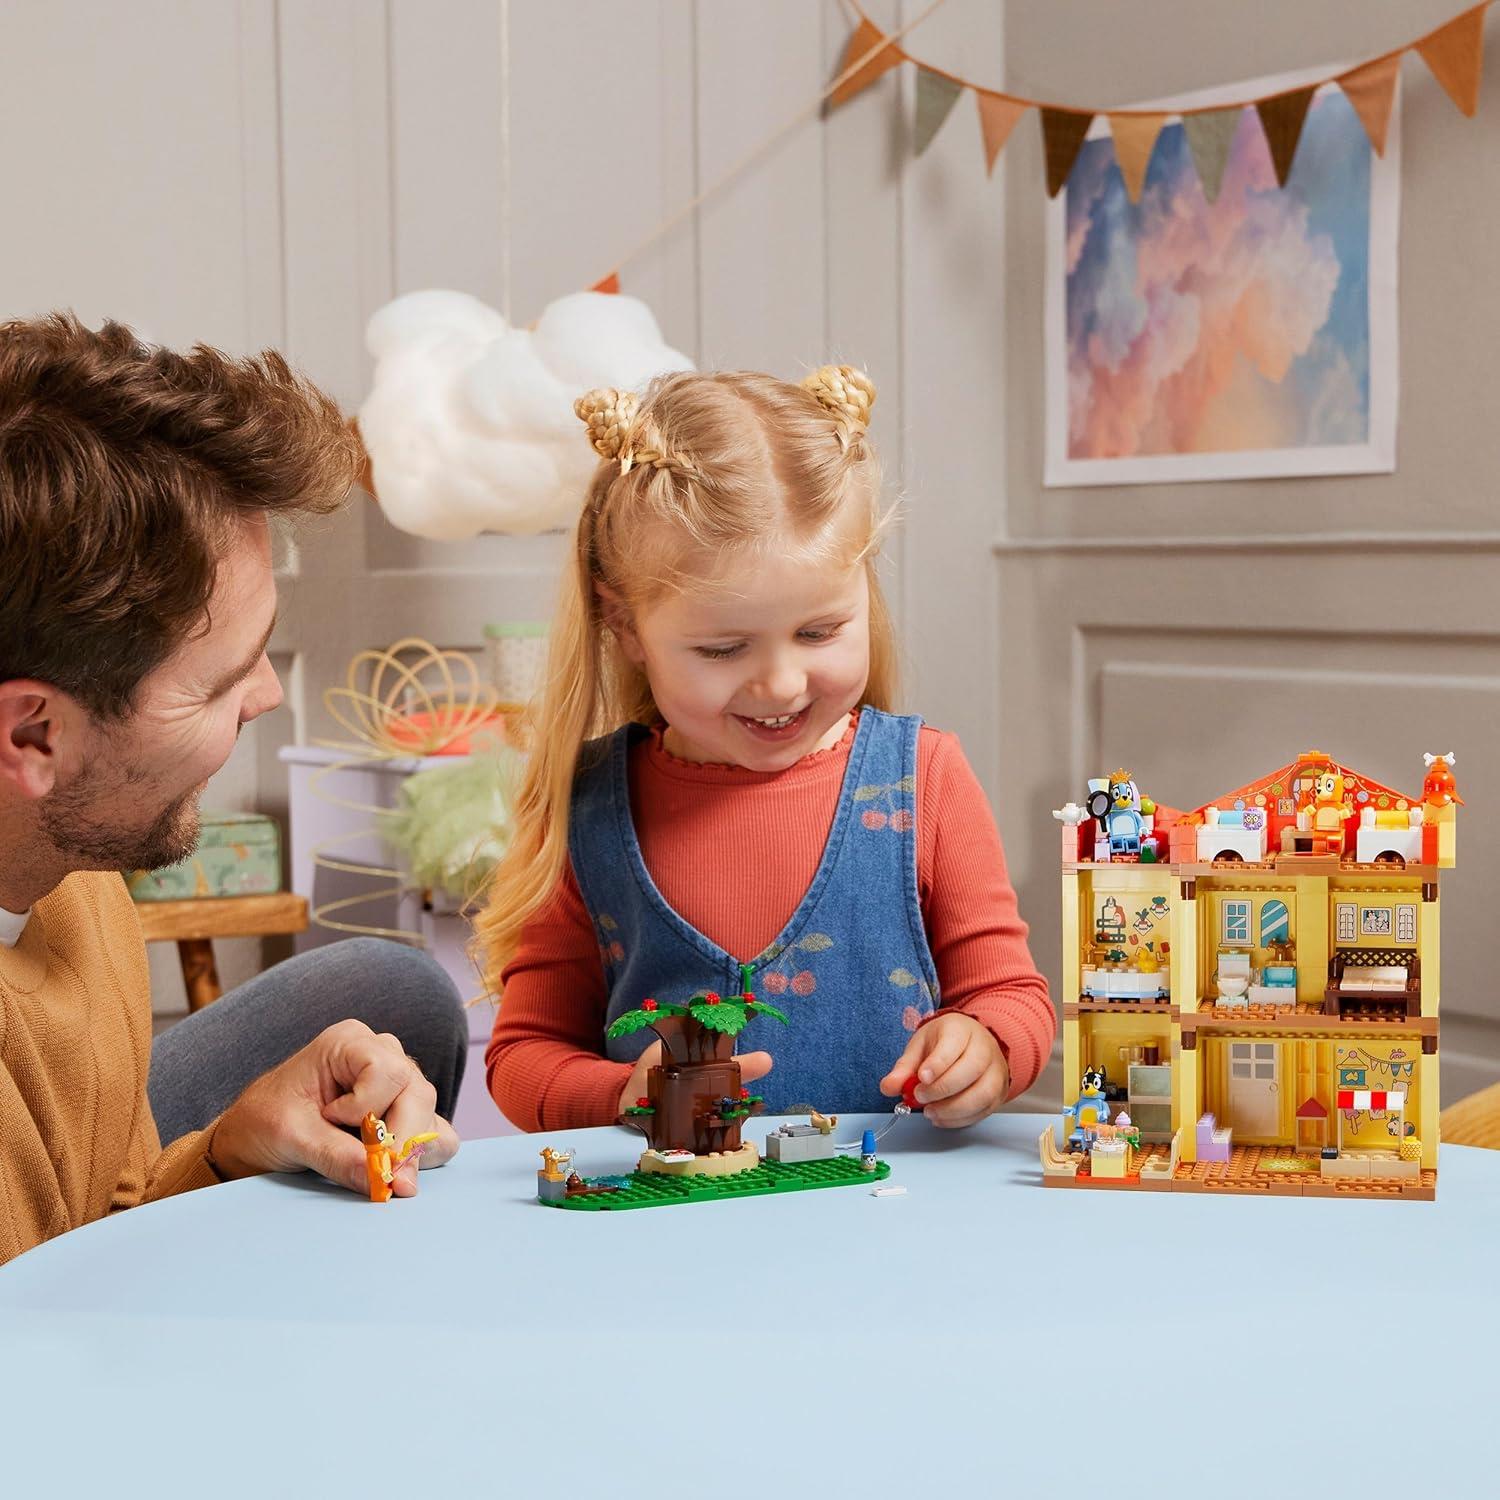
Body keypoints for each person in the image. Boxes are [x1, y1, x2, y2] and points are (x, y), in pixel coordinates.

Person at [0, 313, 465, 1266]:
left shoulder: (69, 871)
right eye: (219, 681)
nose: (268, 695)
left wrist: (228, 1151)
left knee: (394, 991)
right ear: (33, 734)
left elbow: (101, 1219)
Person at [481, 364, 1052, 1132]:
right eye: (723, 649)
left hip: (892, 1201)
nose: (781, 684)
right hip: (676, 1202)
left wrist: (987, 1045)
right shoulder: (588, 804)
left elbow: (1011, 996)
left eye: (819, 632)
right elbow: (523, 1056)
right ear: (624, 626)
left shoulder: (926, 778)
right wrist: (620, 1094)